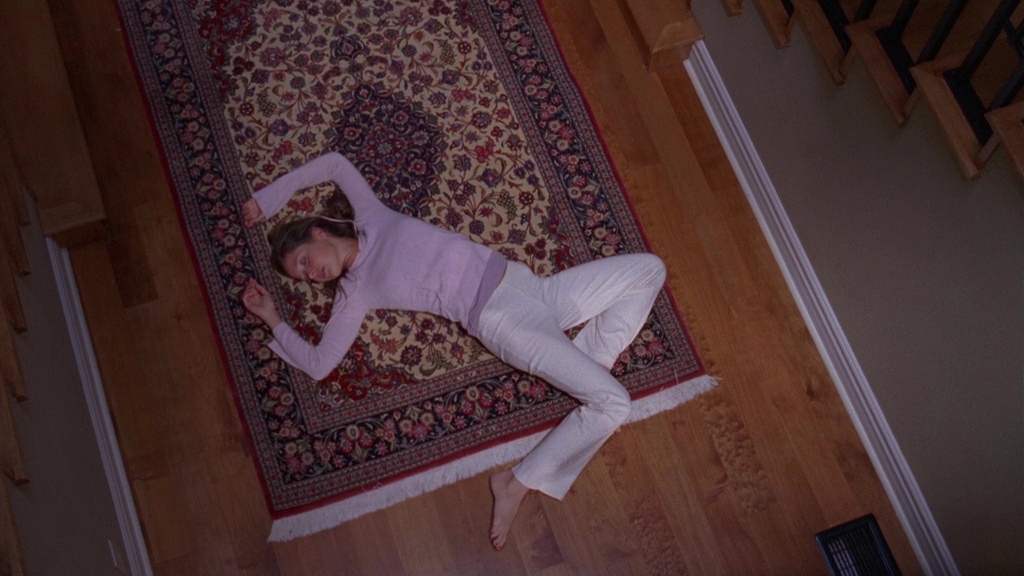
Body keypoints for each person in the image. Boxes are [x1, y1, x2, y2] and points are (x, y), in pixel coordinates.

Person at [241, 151, 666, 550]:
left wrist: (267, 200)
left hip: (528, 286)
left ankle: (591, 364)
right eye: (304, 278)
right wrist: (273, 318)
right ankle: (515, 482)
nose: (312, 275)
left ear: (317, 233)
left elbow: (334, 163)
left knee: (649, 269)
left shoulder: (373, 217)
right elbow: (319, 364)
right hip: (504, 322)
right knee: (615, 405)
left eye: (304, 262)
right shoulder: (355, 293)